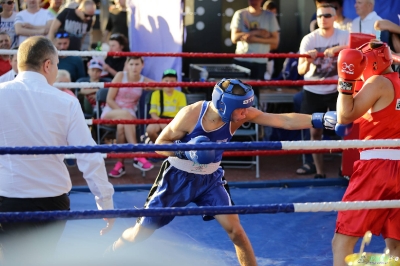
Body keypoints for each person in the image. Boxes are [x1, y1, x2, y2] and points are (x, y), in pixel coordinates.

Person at [107, 78, 345, 265]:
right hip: (176, 178)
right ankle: (110, 253)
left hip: (210, 179)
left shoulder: (240, 113)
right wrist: (186, 151)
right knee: (142, 231)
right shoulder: (191, 114)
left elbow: (283, 120)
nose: (245, 115)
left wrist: (320, 119)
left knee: (236, 231)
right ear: (224, 106)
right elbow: (159, 145)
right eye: (240, 111)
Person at [0, 36, 115, 265]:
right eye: (57, 65)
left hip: (7, 196)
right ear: (47, 65)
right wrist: (105, 202)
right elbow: (88, 155)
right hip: (51, 200)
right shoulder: (66, 102)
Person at [332, 42, 400, 265]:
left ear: (371, 64)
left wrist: (347, 79)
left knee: (342, 240)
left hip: (376, 168)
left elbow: (344, 115)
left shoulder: (377, 82)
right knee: (396, 244)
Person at [297, 4, 349, 179]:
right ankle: (320, 172)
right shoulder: (309, 40)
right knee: (315, 131)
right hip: (313, 89)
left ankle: (345, 170)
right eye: (319, 16)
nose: (323, 19)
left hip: (337, 89)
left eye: (327, 15)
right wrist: (309, 61)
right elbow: (300, 71)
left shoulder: (344, 36)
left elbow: (359, 50)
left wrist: (338, 49)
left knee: (345, 129)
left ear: (335, 18)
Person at [102, 56, 155, 178]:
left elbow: (164, 86)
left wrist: (157, 86)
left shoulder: (143, 80)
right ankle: (137, 154)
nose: (134, 67)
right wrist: (123, 114)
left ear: (142, 65)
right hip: (112, 112)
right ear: (127, 65)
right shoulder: (120, 76)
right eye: (131, 64)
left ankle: (119, 165)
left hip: (129, 117)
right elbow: (109, 100)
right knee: (126, 116)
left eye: (137, 64)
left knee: (122, 126)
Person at [230, 0, 280, 93]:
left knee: (254, 95)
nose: (254, 1)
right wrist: (258, 32)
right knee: (236, 94)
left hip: (259, 62)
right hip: (241, 61)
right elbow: (234, 37)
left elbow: (275, 42)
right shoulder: (240, 14)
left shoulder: (269, 16)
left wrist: (253, 38)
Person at [146, 69, 187, 143]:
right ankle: (161, 148)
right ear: (161, 81)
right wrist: (162, 122)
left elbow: (182, 115)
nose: (169, 83)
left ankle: (168, 149)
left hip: (175, 121)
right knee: (150, 130)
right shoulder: (156, 94)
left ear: (176, 82)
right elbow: (153, 113)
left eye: (172, 81)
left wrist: (171, 124)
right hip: (159, 120)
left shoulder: (181, 96)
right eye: (166, 80)